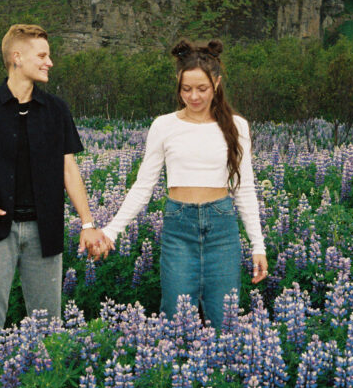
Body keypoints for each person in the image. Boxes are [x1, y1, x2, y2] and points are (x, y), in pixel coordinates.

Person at [0, 24, 110, 359]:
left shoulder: (56, 109)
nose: (50, 62)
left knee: (48, 326)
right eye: (42, 55)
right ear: (17, 58)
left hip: (44, 229)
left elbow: (69, 169)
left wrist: (88, 222)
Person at [97, 39, 267, 329]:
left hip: (222, 228)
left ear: (217, 83)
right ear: (178, 84)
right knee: (175, 319)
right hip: (179, 226)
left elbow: (244, 188)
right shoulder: (164, 125)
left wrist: (258, 245)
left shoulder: (236, 126)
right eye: (186, 89)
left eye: (202, 88)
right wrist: (112, 230)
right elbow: (143, 186)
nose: (194, 96)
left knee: (224, 321)